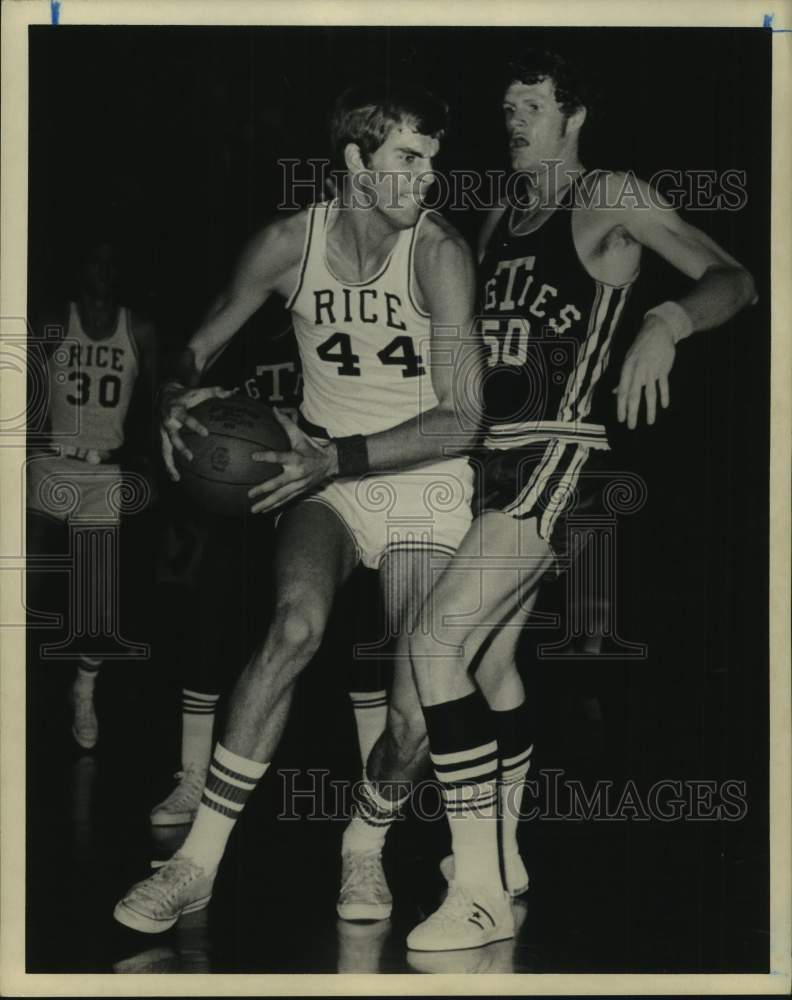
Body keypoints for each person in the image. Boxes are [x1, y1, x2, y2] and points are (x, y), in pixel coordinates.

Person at [348, 47, 757, 953]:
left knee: (436, 638)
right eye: (507, 105)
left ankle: (482, 890)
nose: (514, 118)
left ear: (574, 116)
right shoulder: (499, 214)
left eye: (531, 104)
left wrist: (667, 319)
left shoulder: (611, 194)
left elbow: (734, 274)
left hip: (561, 455)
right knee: (491, 666)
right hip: (493, 459)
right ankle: (504, 855)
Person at [113, 81, 482, 933]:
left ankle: (364, 839)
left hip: (423, 478)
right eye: (407, 160)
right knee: (293, 628)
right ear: (355, 164)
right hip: (323, 481)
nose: (428, 177)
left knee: (412, 713)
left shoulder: (441, 252)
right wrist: (173, 396)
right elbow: (197, 342)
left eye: (434, 160)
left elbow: (466, 417)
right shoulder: (288, 243)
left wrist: (333, 459)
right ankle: (195, 863)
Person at [27, 236, 159, 749]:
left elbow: (150, 403)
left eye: (111, 263)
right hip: (50, 463)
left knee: (98, 608)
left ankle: (83, 694)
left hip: (104, 473)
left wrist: (146, 460)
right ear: (79, 269)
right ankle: (18, 694)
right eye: (94, 262)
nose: (102, 271)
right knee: (29, 591)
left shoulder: (138, 327)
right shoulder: (53, 319)